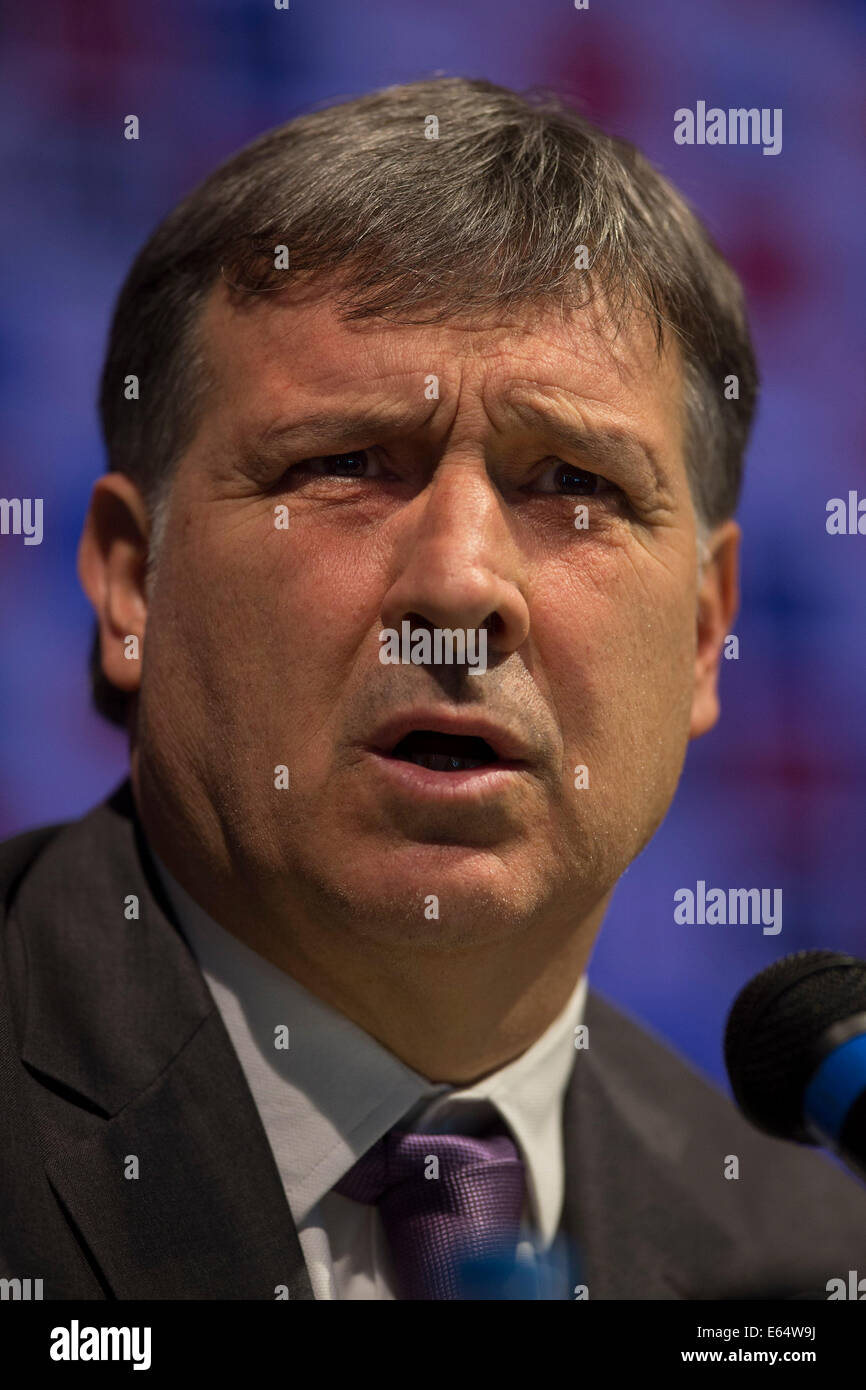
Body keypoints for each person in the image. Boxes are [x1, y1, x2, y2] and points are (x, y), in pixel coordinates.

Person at [2, 77, 864, 1301]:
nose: (461, 587)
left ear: (701, 633)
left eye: (573, 484)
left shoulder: (797, 1268)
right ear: (133, 584)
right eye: (346, 464)